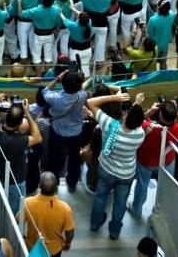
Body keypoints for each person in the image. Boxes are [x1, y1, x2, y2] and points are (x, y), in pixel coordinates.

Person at [87, 90, 146, 240]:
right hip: (126, 174)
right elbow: (134, 120)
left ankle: (94, 224)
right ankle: (114, 232)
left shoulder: (110, 125)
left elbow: (90, 103)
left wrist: (115, 97)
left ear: (125, 115)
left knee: (100, 197)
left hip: (106, 169)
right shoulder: (140, 134)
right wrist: (137, 104)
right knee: (120, 204)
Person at [21, 173, 74, 257]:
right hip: (54, 251)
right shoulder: (65, 208)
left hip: (33, 248)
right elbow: (70, 232)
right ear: (56, 188)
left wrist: (22, 236)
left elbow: (17, 221)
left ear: (39, 186)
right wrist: (67, 243)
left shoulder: (28, 203)